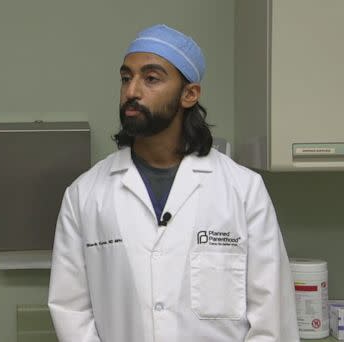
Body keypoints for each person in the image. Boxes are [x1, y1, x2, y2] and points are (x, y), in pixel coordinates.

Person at [48, 24, 299, 341]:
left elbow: (271, 319)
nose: (132, 91)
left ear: (189, 94)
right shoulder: (85, 195)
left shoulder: (243, 190)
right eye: (127, 78)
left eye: (150, 78)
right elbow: (72, 313)